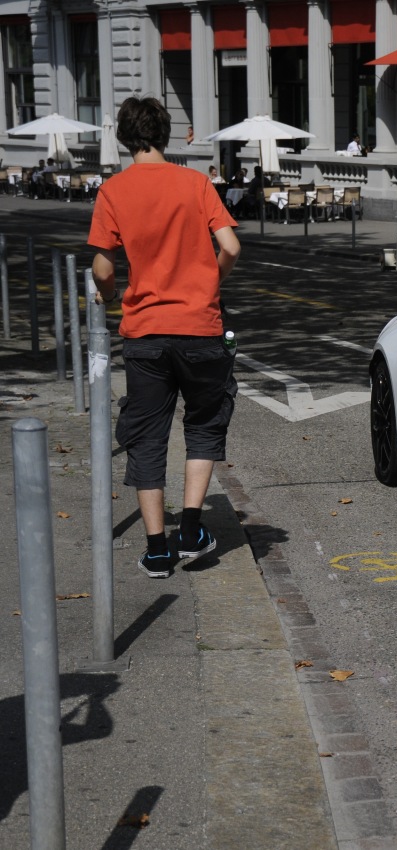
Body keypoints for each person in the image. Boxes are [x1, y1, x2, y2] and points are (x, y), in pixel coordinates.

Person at [87, 96, 241, 579]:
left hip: (145, 332)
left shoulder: (113, 191)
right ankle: (192, 529)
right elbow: (232, 245)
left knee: (147, 436)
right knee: (203, 422)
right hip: (200, 326)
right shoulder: (195, 183)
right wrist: (207, 284)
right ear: (166, 133)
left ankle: (157, 549)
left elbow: (103, 266)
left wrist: (110, 296)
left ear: (125, 138)